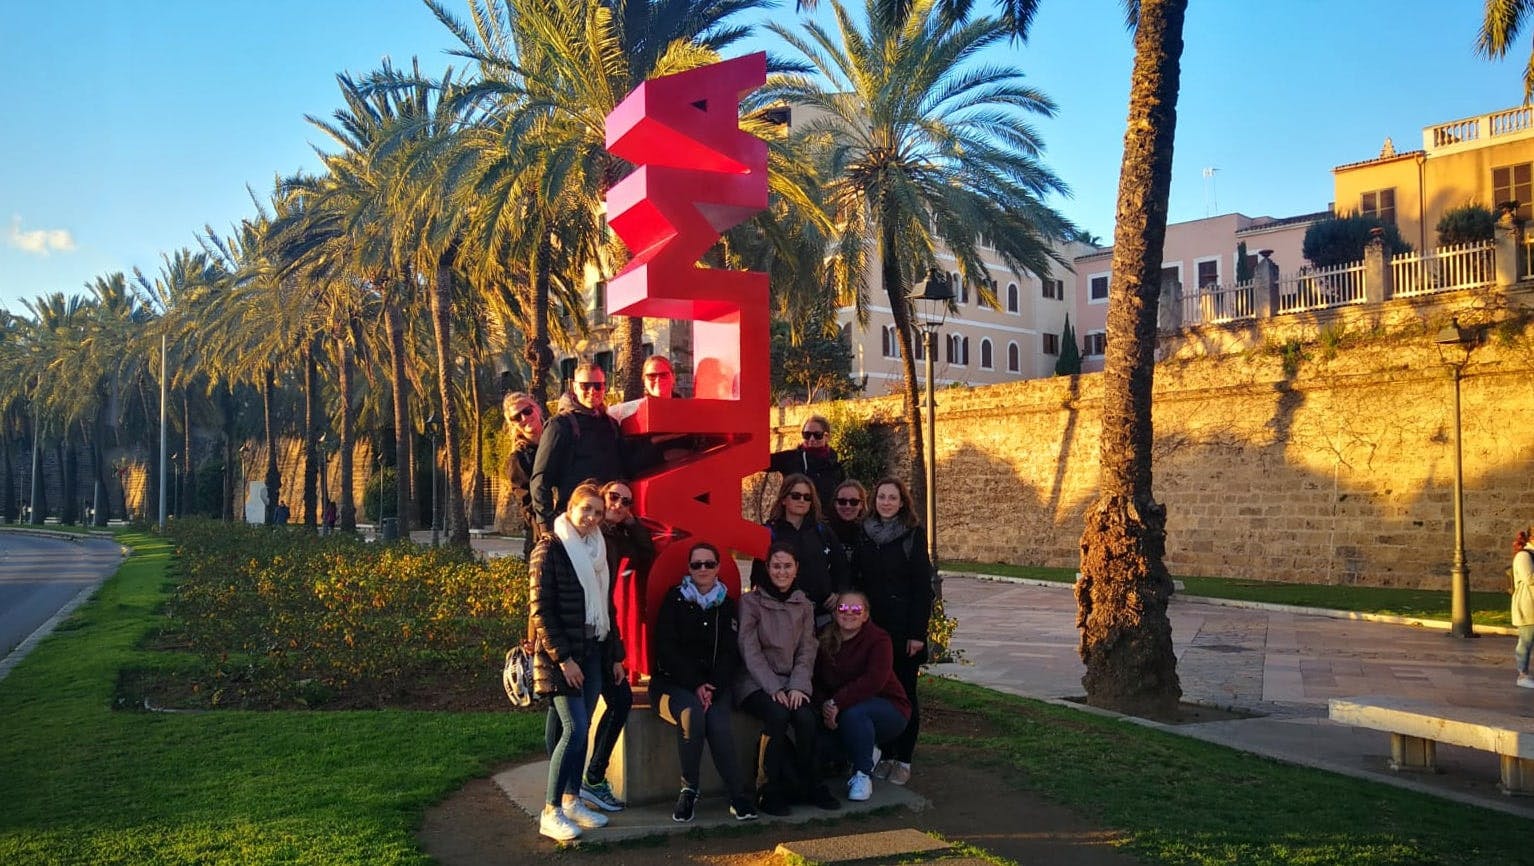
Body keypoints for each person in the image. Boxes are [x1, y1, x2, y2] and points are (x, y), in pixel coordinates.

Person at [529, 482, 625, 841]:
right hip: (563, 656)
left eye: (598, 512)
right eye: (586, 509)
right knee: (574, 728)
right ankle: (550, 810)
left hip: (594, 650)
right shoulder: (549, 548)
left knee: (579, 732)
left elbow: (607, 607)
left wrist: (615, 655)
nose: (592, 518)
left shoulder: (598, 549)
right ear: (570, 508)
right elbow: (541, 610)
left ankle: (572, 800)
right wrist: (564, 659)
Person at [650, 542, 757, 823]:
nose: (703, 569)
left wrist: (712, 686)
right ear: (689, 568)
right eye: (696, 564)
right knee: (692, 715)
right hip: (673, 683)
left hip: (714, 686)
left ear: (718, 567)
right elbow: (666, 648)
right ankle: (689, 789)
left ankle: (737, 795)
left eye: (709, 564)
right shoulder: (674, 600)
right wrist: (696, 683)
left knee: (718, 723)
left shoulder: (727, 605)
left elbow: (730, 652)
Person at [570, 479, 656, 811]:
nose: (619, 504)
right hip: (579, 640)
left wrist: (631, 522)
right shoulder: (579, 539)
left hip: (604, 633)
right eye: (614, 497)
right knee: (578, 717)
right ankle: (570, 788)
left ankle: (590, 779)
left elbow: (646, 553)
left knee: (618, 701)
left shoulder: (617, 537)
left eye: (627, 501)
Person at [737, 542, 839, 815]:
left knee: (806, 718)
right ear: (767, 568)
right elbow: (749, 649)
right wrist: (773, 687)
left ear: (796, 569)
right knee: (778, 715)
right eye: (776, 566)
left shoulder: (803, 604)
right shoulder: (751, 603)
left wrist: (798, 686)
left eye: (787, 566)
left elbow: (807, 649)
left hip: (792, 681)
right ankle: (767, 789)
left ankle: (812, 784)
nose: (781, 572)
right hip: (756, 682)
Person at [852, 477, 933, 786]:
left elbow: (922, 588)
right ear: (874, 501)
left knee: (904, 693)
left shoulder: (912, 534)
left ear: (902, 503)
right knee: (878, 691)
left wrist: (917, 633)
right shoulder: (865, 532)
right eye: (881, 497)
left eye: (892, 497)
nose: (886, 502)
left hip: (903, 629)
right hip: (873, 627)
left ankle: (904, 759)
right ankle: (886, 753)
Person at [814, 589, 910, 803]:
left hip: (888, 707)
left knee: (855, 714)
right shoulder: (823, 637)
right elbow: (816, 679)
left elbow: (874, 681)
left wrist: (837, 703)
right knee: (821, 742)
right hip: (838, 708)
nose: (849, 613)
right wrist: (825, 706)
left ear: (865, 615)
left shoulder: (879, 639)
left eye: (856, 609)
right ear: (835, 612)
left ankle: (863, 775)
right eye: (843, 608)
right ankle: (863, 751)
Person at [530, 363, 626, 534]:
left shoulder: (611, 425)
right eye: (585, 386)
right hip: (573, 522)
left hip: (606, 524)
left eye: (597, 385)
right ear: (575, 387)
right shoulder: (560, 425)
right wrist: (546, 526)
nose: (592, 391)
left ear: (604, 387)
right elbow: (541, 479)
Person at [750, 473, 849, 630]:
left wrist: (839, 594)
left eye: (807, 497)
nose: (802, 500)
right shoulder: (769, 533)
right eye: (796, 496)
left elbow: (842, 568)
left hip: (821, 617)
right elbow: (758, 576)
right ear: (784, 499)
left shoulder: (822, 531)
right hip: (782, 617)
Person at [503, 391, 546, 557]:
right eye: (516, 417)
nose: (524, 418)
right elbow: (527, 504)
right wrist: (545, 533)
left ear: (536, 409)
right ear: (512, 424)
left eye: (527, 411)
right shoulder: (519, 459)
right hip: (543, 535)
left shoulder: (559, 439)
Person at [769, 415, 845, 508]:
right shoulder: (790, 458)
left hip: (824, 516)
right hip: (794, 515)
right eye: (807, 435)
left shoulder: (835, 467)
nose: (812, 439)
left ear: (827, 437)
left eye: (817, 435)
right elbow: (758, 461)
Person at [1513, 529, 1534, 689]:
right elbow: (1529, 578)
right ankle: (1522, 675)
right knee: (1526, 640)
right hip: (1528, 605)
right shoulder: (1523, 556)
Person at [827, 480, 869, 558]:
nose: (848, 506)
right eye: (842, 501)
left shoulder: (871, 534)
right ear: (835, 504)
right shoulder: (823, 533)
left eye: (854, 502)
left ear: (861, 505)